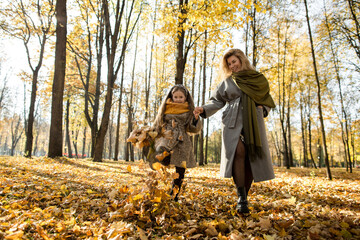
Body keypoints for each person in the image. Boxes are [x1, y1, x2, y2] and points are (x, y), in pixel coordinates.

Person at [194, 48, 275, 214]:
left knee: (252, 156)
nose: (232, 66)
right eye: (229, 64)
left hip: (254, 121)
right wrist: (203, 109)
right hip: (232, 120)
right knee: (238, 151)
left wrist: (263, 109)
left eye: (234, 62)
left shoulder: (257, 78)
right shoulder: (228, 82)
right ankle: (240, 196)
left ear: (241, 60)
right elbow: (216, 101)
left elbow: (267, 98)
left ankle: (244, 196)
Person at [152, 84, 202, 201]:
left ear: (185, 98)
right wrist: (151, 133)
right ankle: (165, 162)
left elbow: (192, 128)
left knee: (180, 169)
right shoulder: (165, 107)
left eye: (181, 97)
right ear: (172, 96)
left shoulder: (189, 110)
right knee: (161, 152)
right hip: (167, 137)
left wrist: (195, 119)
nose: (178, 100)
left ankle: (174, 194)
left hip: (182, 140)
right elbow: (157, 122)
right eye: (176, 97)